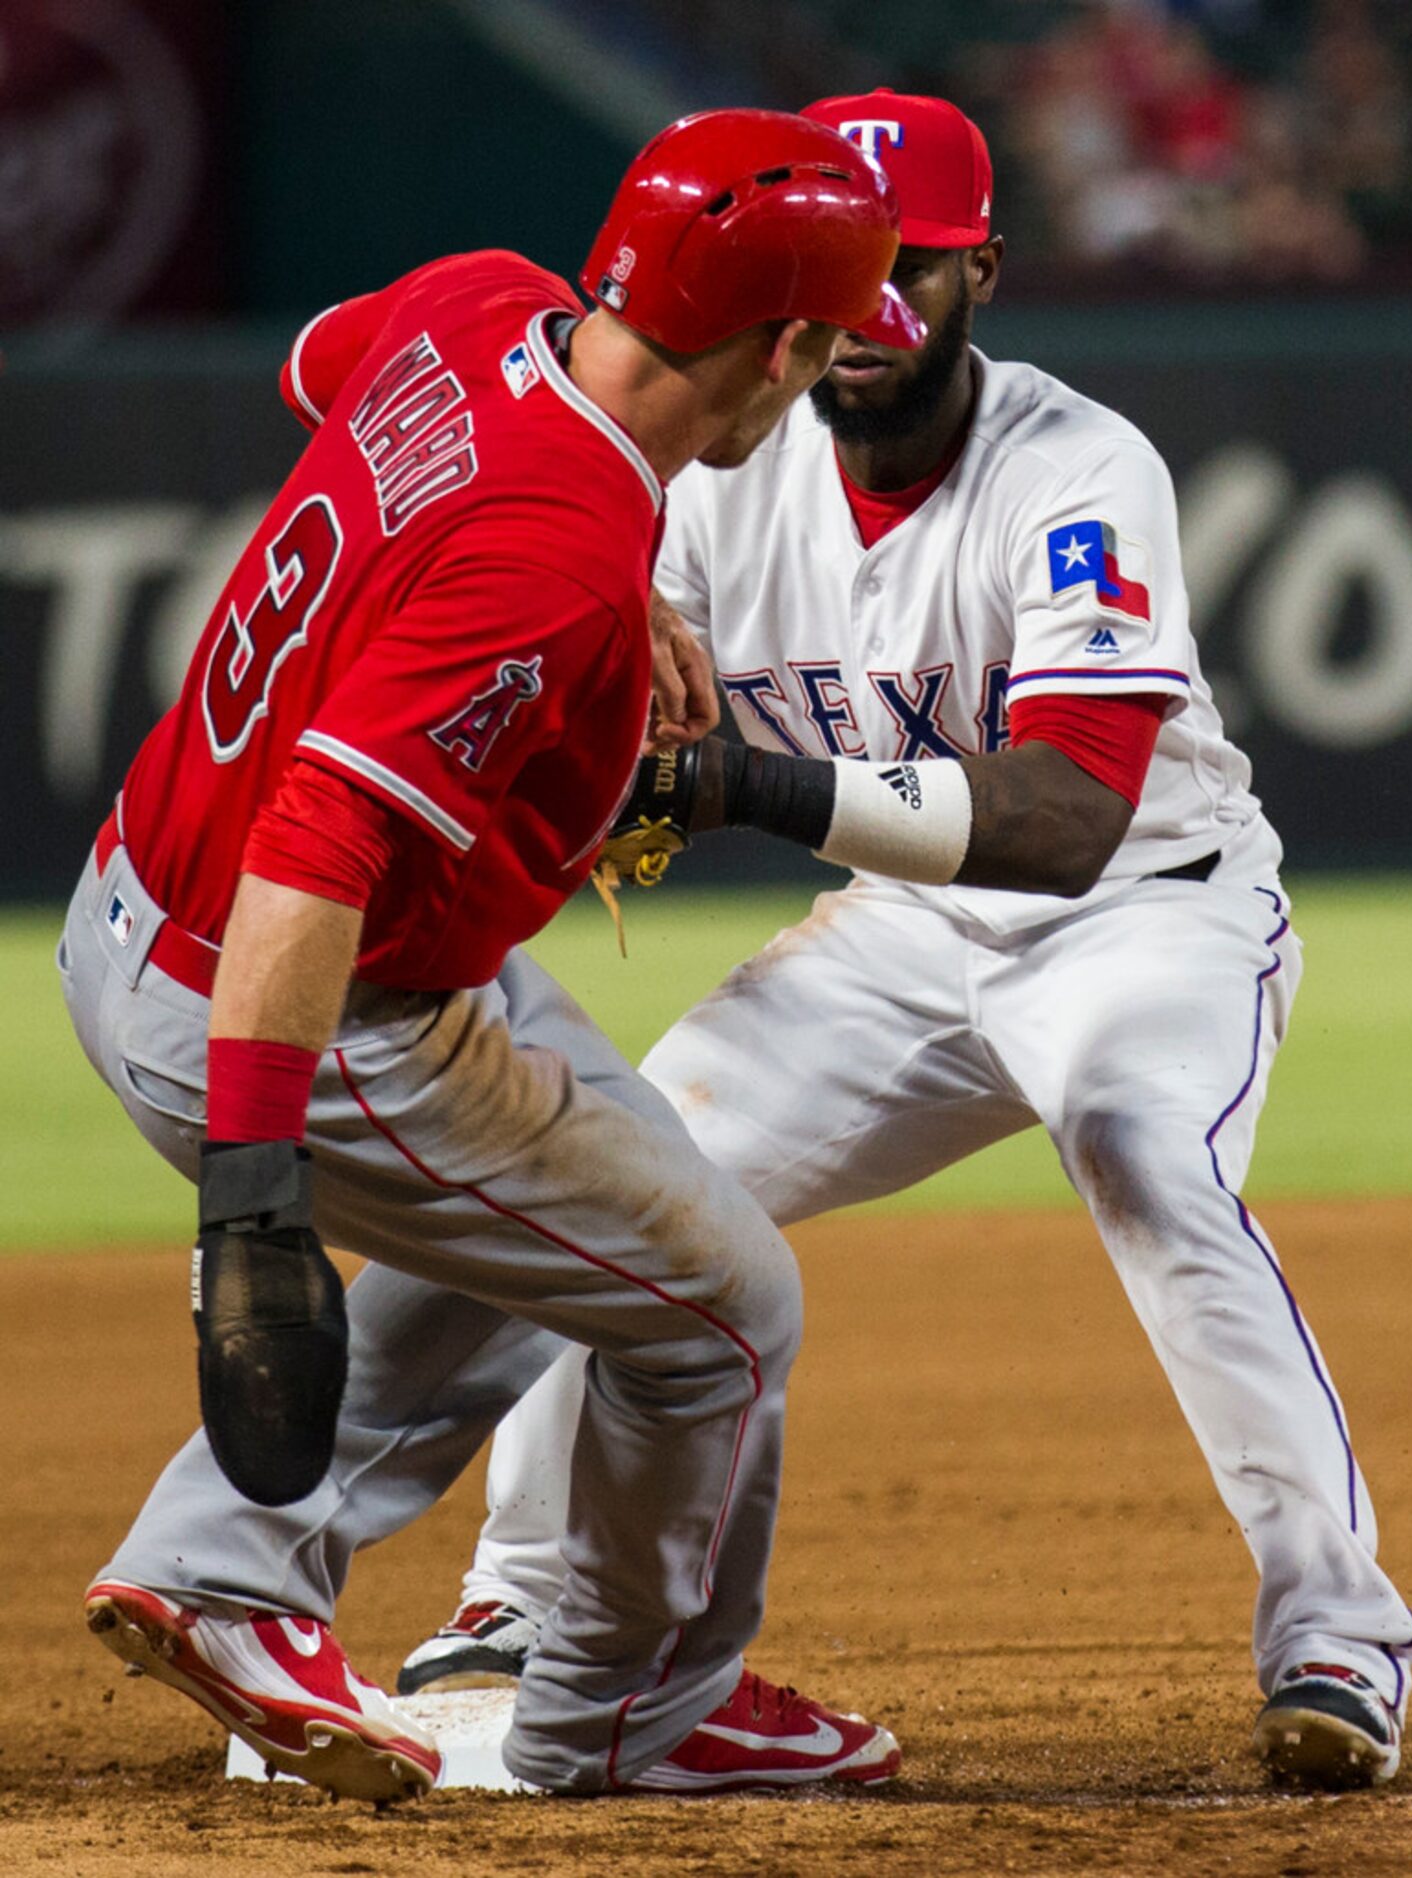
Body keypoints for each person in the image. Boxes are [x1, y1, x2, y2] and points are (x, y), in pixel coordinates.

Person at [396, 89, 1412, 1793]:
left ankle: (1334, 1626)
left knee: (1143, 1150)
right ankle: (514, 1601)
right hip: (896, 934)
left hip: (1138, 915)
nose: (867, 315)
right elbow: (624, 724)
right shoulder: (734, 468)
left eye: (911, 271)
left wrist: (733, 779)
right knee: (627, 1166)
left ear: (983, 273)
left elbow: (1067, 814)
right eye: (838, 272)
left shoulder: (1076, 467)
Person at [60, 108, 927, 1804]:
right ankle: (627, 1712)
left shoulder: (481, 305)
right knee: (726, 1319)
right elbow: (319, 842)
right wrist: (251, 1204)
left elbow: (332, 379)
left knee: (575, 1217)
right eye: (826, 346)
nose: (828, 374)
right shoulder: (554, 557)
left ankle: (221, 1563)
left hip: (138, 891)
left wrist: (609, 580)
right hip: (286, 996)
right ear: (786, 345)